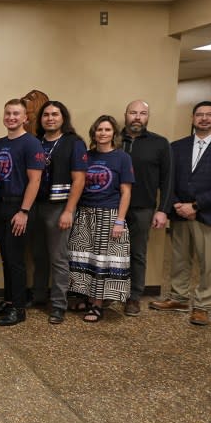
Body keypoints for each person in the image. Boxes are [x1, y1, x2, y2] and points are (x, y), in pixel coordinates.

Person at [151, 101, 211, 326]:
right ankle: (178, 298)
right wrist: (177, 205)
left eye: (209, 115)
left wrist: (196, 206)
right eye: (199, 115)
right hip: (180, 213)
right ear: (193, 118)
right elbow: (168, 180)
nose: (204, 118)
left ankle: (202, 306)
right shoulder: (177, 147)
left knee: (209, 264)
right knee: (179, 259)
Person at [67, 115, 134, 322]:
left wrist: (120, 221)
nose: (102, 133)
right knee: (86, 260)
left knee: (103, 261)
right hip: (86, 213)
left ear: (114, 133)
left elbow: (126, 192)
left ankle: (97, 305)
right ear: (93, 133)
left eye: (107, 130)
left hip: (109, 215)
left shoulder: (122, 158)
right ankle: (87, 299)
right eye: (99, 130)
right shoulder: (86, 156)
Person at [28, 101, 87, 324]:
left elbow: (79, 180)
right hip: (36, 205)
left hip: (59, 207)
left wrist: (69, 211)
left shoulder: (74, 143)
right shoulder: (35, 142)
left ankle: (59, 305)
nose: (50, 118)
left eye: (55, 114)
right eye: (46, 115)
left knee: (58, 258)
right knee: (38, 255)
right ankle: (39, 296)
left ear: (63, 117)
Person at [0, 98, 44, 326]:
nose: (11, 117)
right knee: (6, 258)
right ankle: (9, 301)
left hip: (19, 206)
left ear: (25, 118)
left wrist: (24, 211)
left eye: (16, 114)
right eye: (8, 113)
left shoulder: (31, 144)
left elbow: (35, 180)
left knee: (16, 260)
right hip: (0, 205)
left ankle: (19, 309)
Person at [121, 100, 172, 317]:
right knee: (108, 252)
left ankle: (134, 297)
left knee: (137, 253)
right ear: (126, 115)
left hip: (143, 208)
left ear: (148, 117)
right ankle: (105, 294)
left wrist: (163, 210)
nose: (137, 117)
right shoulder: (112, 139)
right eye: (133, 113)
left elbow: (168, 179)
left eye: (142, 113)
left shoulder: (160, 143)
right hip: (110, 207)